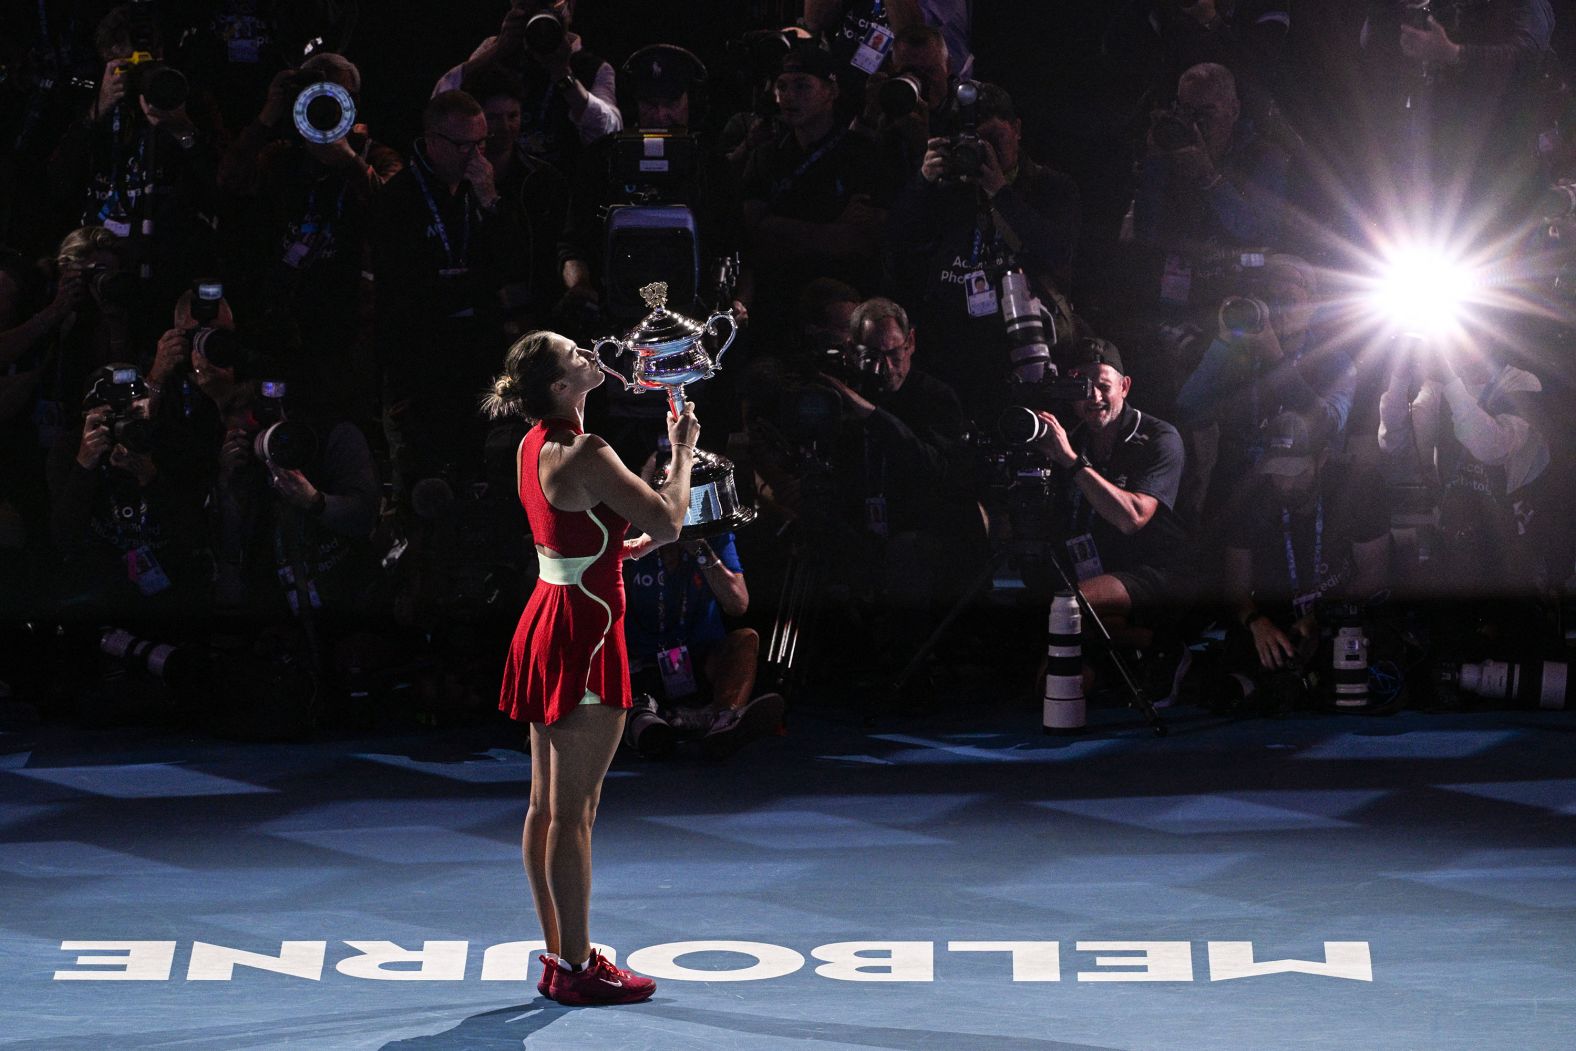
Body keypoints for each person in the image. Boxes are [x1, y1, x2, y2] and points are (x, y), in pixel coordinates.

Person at [482, 329, 701, 1006]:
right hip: (589, 627)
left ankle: (559, 955)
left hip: (550, 610)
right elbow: (668, 519)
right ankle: (577, 966)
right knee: (575, 811)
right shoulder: (589, 451)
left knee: (547, 806)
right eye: (576, 355)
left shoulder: (532, 445)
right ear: (559, 387)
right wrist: (684, 450)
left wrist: (615, 551)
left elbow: (570, 532)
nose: (590, 356)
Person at [886, 82, 1080, 419]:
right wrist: (921, 183)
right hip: (949, 336)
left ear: (1017, 129)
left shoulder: (1053, 187)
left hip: (1023, 341)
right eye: (976, 143)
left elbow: (1057, 252)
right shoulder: (948, 185)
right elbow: (897, 241)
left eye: (994, 139)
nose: (984, 151)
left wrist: (1000, 192)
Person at [1174, 253, 1356, 521]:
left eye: (1290, 301)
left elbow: (1327, 423)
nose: (1280, 311)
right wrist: (1223, 342)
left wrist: (1275, 360)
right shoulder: (1241, 355)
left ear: (1314, 303)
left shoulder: (1333, 360)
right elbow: (1188, 406)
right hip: (1242, 493)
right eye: (1273, 302)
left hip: (1304, 489)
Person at [1028, 337, 1190, 632]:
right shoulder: (1073, 438)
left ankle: (1164, 645)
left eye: (1103, 386)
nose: (1094, 397)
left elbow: (1133, 518)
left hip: (1152, 571)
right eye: (1083, 388)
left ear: (1124, 387)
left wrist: (1071, 461)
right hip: (1096, 567)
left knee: (1069, 609)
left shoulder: (1159, 437)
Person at [1224, 411, 1391, 672]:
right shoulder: (1249, 496)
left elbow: (1374, 574)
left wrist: (1321, 618)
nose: (1286, 485)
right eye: (1278, 472)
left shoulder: (1358, 484)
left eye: (1297, 472)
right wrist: (1256, 622)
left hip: (1342, 610)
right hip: (1277, 619)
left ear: (1321, 459)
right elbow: (1236, 585)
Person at [434, 0, 621, 171]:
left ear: (569, 8)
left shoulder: (593, 68)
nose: (539, 16)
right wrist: (497, 50)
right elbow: (440, 109)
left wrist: (563, 73)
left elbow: (608, 135)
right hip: (498, 184)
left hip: (563, 189)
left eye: (548, 5)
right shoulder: (495, 54)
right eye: (530, 5)